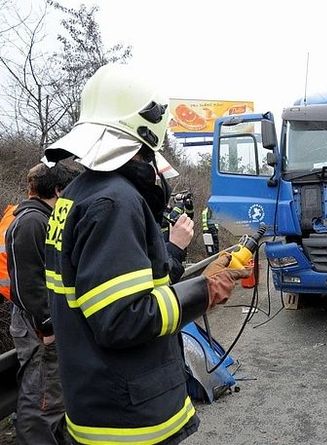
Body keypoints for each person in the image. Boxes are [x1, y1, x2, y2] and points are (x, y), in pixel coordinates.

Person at [43, 63, 250, 445]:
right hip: (129, 420)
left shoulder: (77, 195)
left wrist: (191, 274)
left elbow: (122, 290)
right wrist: (204, 291)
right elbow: (123, 319)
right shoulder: (115, 202)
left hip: (95, 403)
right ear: (147, 131)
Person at [6, 162, 80, 444]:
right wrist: (48, 327)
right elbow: (28, 284)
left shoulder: (41, 219)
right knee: (42, 398)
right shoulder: (31, 222)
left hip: (43, 322)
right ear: (58, 191)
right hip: (37, 326)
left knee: (52, 394)